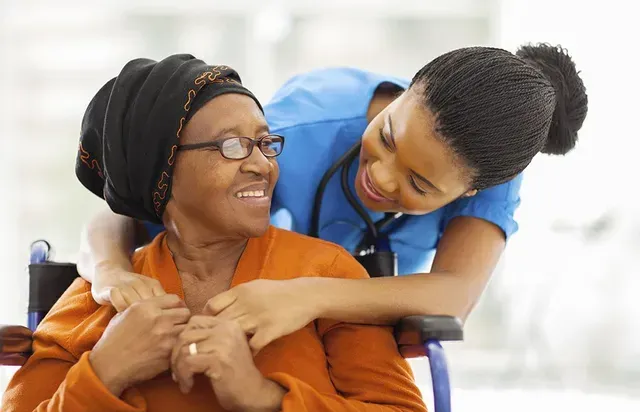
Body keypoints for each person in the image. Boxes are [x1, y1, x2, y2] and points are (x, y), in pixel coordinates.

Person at [0, 55, 428, 412]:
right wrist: (105, 372)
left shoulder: (327, 274)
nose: (263, 164)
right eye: (232, 146)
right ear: (161, 172)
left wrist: (260, 398)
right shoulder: (101, 296)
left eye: (264, 143)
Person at [78, 43, 588, 353]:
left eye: (419, 185)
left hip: (331, 345)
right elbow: (118, 212)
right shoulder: (297, 130)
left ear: (472, 191)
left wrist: (307, 295)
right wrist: (111, 272)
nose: (383, 179)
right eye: (386, 137)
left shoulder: (489, 168)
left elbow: (454, 296)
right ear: (407, 91)